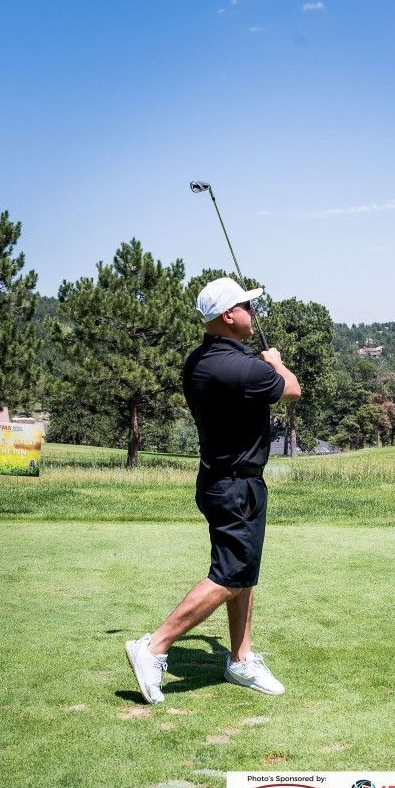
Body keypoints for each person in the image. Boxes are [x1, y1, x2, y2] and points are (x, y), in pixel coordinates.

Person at [125, 276, 301, 703]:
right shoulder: (241, 367)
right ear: (228, 315)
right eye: (247, 306)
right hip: (235, 485)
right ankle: (154, 647)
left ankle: (240, 660)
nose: (253, 313)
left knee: (243, 572)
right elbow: (292, 390)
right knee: (229, 576)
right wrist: (275, 360)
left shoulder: (201, 360)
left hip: (226, 480)